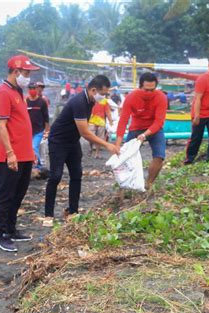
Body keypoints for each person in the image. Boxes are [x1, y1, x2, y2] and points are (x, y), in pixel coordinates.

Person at [44, 75, 119, 227]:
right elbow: (85, 132)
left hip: (73, 142)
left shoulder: (90, 101)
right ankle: (48, 215)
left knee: (76, 175)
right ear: (93, 90)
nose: (103, 97)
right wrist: (107, 145)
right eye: (102, 94)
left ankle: (73, 212)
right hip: (58, 142)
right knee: (55, 176)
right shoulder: (79, 102)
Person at [0, 54, 39, 252]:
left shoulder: (17, 91)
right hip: (10, 154)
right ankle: (2, 234)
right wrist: (10, 153)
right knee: (6, 194)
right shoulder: (3, 93)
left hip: (24, 152)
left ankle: (11, 228)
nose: (28, 77)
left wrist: (30, 151)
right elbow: (1, 125)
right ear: (16, 71)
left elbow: (21, 124)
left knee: (19, 193)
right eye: (26, 72)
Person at [115, 72, 168, 190]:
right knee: (125, 157)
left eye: (152, 90)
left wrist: (145, 134)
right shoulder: (131, 97)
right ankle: (125, 186)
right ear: (140, 87)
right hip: (136, 128)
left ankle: (148, 184)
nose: (149, 93)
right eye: (146, 90)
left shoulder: (161, 97)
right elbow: (123, 121)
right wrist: (117, 144)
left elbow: (159, 122)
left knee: (159, 156)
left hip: (154, 129)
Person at [184, 55, 209, 164]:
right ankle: (189, 158)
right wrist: (196, 115)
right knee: (196, 137)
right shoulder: (202, 79)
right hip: (200, 113)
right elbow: (198, 98)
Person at [26, 82, 50, 170]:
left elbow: (46, 117)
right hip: (27, 131)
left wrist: (47, 130)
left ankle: (38, 166)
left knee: (34, 147)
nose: (32, 90)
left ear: (37, 89)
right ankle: (38, 164)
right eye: (30, 88)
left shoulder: (42, 102)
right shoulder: (25, 101)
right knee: (31, 149)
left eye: (34, 88)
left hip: (39, 130)